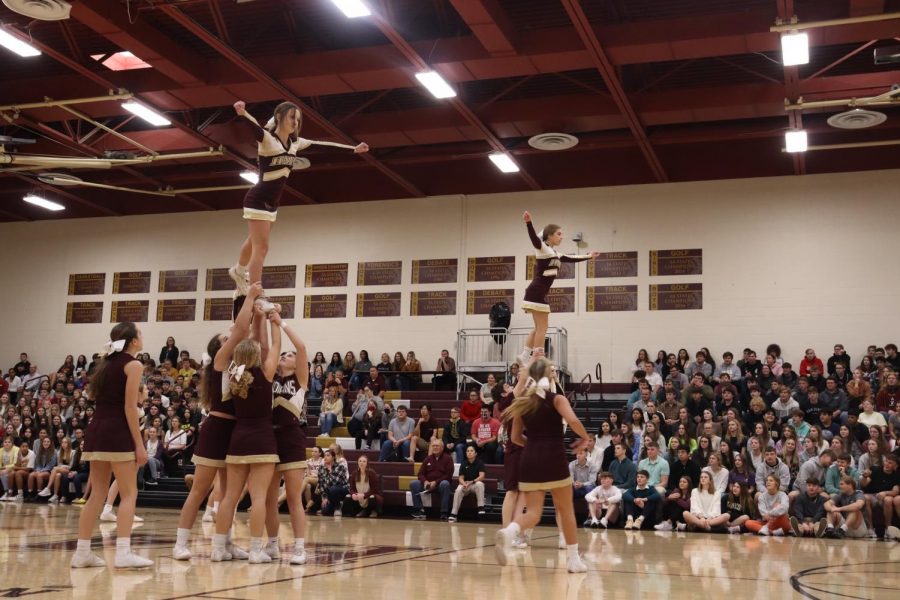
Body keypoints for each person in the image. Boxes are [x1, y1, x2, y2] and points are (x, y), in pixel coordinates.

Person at [227, 100, 368, 300]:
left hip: (272, 203)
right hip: (257, 199)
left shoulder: (296, 143)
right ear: (279, 117)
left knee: (254, 240)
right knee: (262, 247)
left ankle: (239, 270)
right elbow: (255, 129)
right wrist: (242, 113)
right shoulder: (267, 139)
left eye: (298, 119)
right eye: (292, 117)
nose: (295, 122)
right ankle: (256, 293)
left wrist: (352, 148)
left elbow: (322, 146)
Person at [494, 357, 591, 573]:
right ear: (549, 375)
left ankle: (509, 532)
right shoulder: (556, 399)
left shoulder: (522, 402)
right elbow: (574, 421)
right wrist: (586, 438)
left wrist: (535, 445)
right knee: (566, 510)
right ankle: (573, 560)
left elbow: (516, 438)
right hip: (553, 457)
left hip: (529, 459)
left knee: (534, 512)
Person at [71, 322, 151, 569]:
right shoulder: (134, 364)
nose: (142, 336)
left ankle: (82, 553)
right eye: (140, 333)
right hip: (117, 432)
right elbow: (129, 407)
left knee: (97, 494)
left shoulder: (105, 363)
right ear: (134, 341)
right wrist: (139, 445)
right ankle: (123, 553)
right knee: (129, 493)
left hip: (97, 430)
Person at [211, 312, 282, 564]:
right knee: (259, 497)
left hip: (237, 441)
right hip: (262, 440)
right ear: (256, 356)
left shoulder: (233, 376)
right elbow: (276, 347)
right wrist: (275, 322)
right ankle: (254, 550)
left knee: (229, 496)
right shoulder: (266, 374)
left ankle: (218, 548)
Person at [516, 211, 598, 365]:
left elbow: (572, 258)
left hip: (537, 292)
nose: (561, 237)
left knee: (538, 327)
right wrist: (529, 223)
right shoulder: (542, 249)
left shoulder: (555, 253)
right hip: (537, 291)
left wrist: (589, 255)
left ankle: (525, 354)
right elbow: (534, 239)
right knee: (543, 327)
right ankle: (537, 358)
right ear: (550, 236)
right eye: (559, 234)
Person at [263, 314, 310, 565]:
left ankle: (299, 548)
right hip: (269, 436)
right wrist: (269, 321)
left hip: (292, 436)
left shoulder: (300, 378)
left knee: (293, 497)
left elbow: (301, 347)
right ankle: (272, 545)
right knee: (269, 497)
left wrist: (280, 321)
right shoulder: (270, 377)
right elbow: (272, 348)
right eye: (283, 355)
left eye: (288, 356)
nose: (284, 357)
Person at [410, 439, 454, 520]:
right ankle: (419, 510)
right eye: (433, 446)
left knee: (445, 484)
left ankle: (444, 512)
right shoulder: (428, 459)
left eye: (437, 446)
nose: (435, 447)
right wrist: (425, 481)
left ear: (442, 448)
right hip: (428, 485)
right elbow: (420, 474)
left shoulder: (448, 459)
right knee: (414, 484)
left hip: (440, 485)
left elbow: (448, 475)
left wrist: (436, 482)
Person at [449, 445, 486, 522]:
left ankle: (481, 507)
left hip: (474, 484)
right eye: (468, 451)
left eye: (471, 451)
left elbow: (482, 476)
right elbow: (460, 478)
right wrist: (464, 484)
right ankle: (454, 514)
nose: (469, 452)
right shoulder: (463, 463)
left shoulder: (480, 463)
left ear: (475, 453)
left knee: (480, 484)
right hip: (466, 485)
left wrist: (472, 482)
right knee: (458, 489)